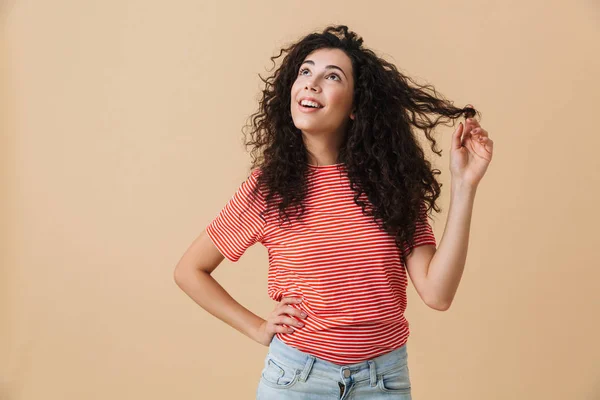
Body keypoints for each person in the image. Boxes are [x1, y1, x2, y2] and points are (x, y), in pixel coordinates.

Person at [174, 24, 494, 399]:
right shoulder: (269, 188)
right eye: (305, 72)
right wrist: (257, 327)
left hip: (384, 382)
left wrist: (465, 185)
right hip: (296, 380)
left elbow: (438, 294)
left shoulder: (391, 186)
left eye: (332, 76)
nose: (311, 84)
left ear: (357, 106)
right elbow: (189, 271)